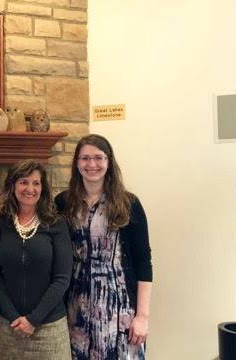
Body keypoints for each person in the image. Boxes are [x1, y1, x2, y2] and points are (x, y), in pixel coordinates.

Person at [54, 134, 153, 360]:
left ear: (109, 162)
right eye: (85, 158)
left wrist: (142, 317)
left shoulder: (129, 204)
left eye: (98, 158)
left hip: (119, 305)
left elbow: (143, 261)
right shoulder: (63, 203)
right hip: (75, 304)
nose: (92, 165)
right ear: (77, 163)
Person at [0, 159, 72, 360]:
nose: (30, 189)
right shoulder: (2, 222)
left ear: (43, 188)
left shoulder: (56, 223)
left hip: (49, 327)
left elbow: (62, 278)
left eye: (36, 183)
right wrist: (14, 316)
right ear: (13, 186)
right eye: (24, 182)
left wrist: (33, 319)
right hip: (9, 326)